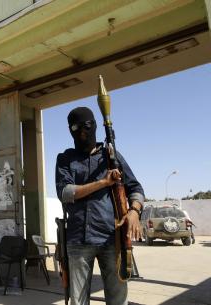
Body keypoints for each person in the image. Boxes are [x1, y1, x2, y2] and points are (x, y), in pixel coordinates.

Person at [55, 107, 145, 305]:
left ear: (95, 125)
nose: (82, 132)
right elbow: (66, 193)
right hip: (78, 240)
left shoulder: (111, 156)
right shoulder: (65, 159)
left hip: (111, 239)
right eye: (75, 127)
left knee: (117, 298)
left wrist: (134, 211)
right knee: (78, 301)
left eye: (87, 126)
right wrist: (103, 183)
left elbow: (135, 188)